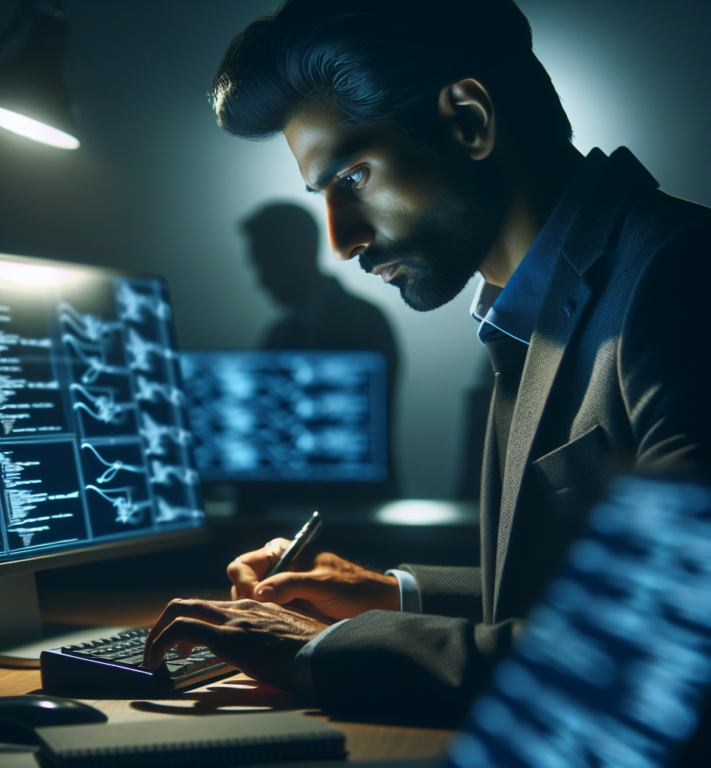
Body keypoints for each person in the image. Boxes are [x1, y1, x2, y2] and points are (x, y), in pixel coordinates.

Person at [143, 0, 710, 723]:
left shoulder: (683, 280)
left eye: (351, 178)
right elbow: (577, 590)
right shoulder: (542, 312)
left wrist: (321, 649)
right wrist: (391, 596)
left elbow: (658, 647)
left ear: (468, 119)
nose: (341, 240)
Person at [241, 202, 400, 501]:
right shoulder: (279, 334)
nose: (261, 280)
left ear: (303, 251)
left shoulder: (363, 322)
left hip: (358, 510)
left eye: (267, 263)